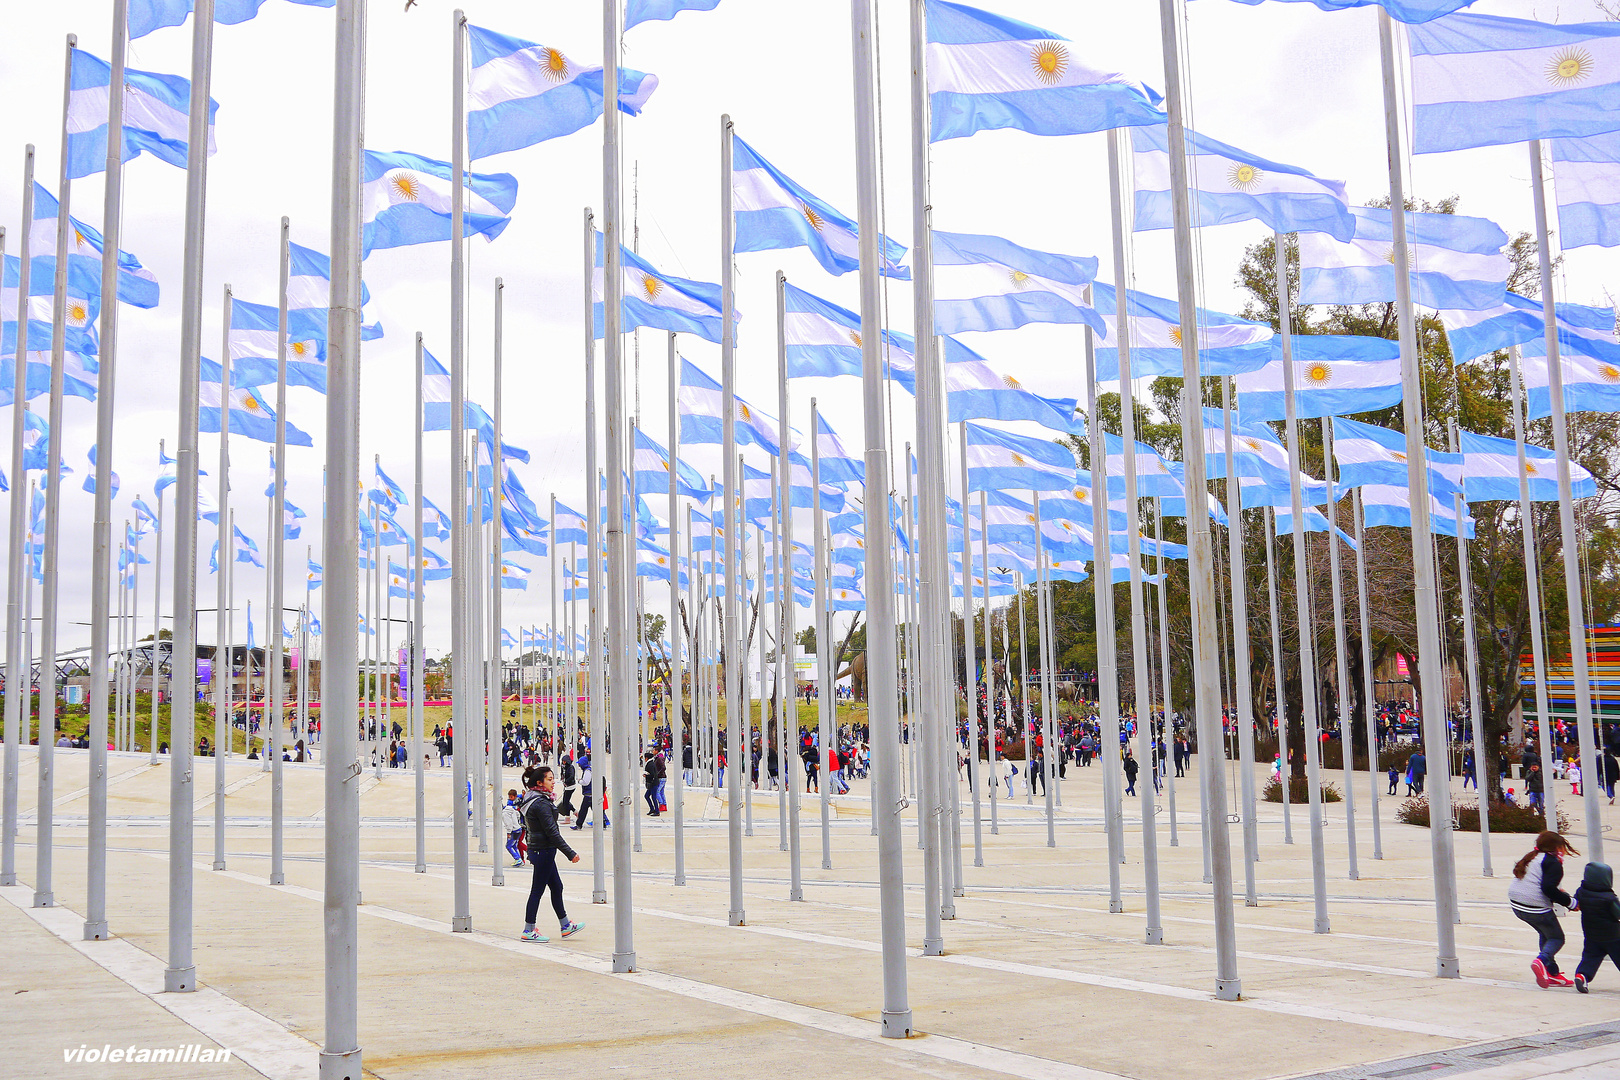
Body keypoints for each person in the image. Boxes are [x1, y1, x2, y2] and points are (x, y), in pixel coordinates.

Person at [517, 765, 583, 942]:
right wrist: (570, 853)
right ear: (539, 782)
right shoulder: (540, 804)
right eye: (549, 779)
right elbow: (552, 833)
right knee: (537, 890)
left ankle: (565, 925)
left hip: (541, 850)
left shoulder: (536, 799)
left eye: (553, 779)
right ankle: (528, 929)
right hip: (543, 851)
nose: (553, 783)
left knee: (557, 887)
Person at [1510, 830, 1578, 988]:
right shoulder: (1553, 862)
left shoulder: (1533, 857)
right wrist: (1571, 903)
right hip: (1534, 906)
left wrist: (1563, 897)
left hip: (1517, 905)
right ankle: (1541, 961)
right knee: (1557, 938)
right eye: (1562, 847)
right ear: (1557, 847)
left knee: (1546, 934)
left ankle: (1552, 974)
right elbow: (1548, 888)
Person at [1574, 862, 1620, 993]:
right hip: (1613, 936)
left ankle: (1582, 975)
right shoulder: (1609, 898)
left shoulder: (1581, 892)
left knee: (1590, 957)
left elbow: (1576, 903)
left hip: (1591, 934)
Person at [501, 789, 524, 867]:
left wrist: (508, 833)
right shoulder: (512, 809)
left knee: (508, 846)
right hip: (518, 829)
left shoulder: (505, 813)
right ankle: (519, 859)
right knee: (514, 845)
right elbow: (518, 814)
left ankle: (518, 859)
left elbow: (508, 824)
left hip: (513, 831)